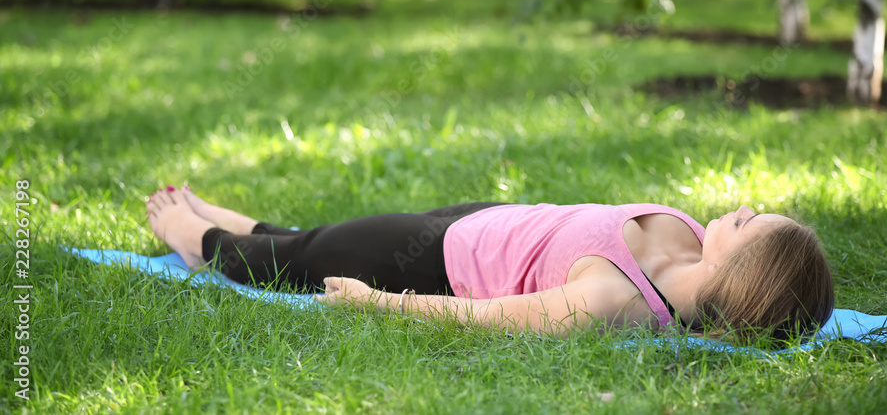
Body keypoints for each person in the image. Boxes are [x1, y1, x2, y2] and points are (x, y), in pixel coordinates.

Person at [145, 185, 834, 341]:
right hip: (491, 218)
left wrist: (377, 301)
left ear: (740, 269)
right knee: (316, 238)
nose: (739, 210)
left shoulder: (613, 303)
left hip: (436, 262)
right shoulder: (687, 235)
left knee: (296, 261)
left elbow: (488, 316)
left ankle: (194, 236)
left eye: (748, 224)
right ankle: (252, 224)